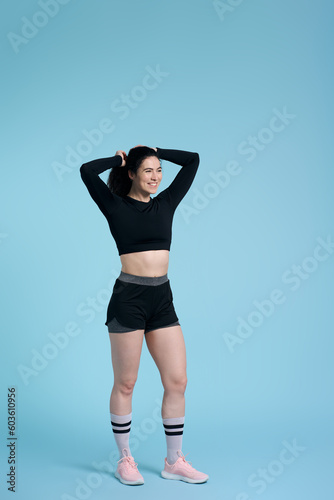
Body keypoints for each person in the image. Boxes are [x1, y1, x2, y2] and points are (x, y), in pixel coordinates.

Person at [80, 145, 209, 486]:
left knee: (177, 380)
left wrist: (157, 151)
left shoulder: (166, 203)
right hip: (129, 298)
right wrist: (117, 161)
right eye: (148, 170)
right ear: (132, 174)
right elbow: (86, 171)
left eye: (159, 170)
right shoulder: (114, 206)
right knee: (126, 382)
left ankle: (174, 461)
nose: (155, 176)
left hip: (162, 298)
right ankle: (125, 459)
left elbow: (193, 160)